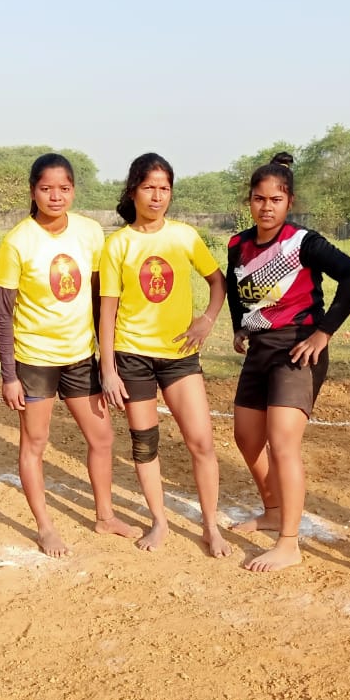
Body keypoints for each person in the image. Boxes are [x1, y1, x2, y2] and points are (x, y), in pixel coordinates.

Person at [0, 152, 141, 557]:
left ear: (74, 190)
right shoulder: (17, 242)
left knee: (102, 436)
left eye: (63, 188)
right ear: (33, 192)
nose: (55, 196)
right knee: (35, 443)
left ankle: (105, 515)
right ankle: (44, 527)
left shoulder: (91, 233)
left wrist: (105, 357)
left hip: (80, 357)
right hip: (35, 360)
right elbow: (3, 316)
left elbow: (100, 297)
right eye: (46, 189)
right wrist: (9, 375)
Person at [227, 152, 350, 571]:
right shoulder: (238, 244)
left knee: (282, 443)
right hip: (259, 349)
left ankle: (290, 542)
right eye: (258, 198)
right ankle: (272, 510)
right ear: (249, 201)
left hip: (298, 348)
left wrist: (323, 333)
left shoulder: (303, 242)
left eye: (275, 199)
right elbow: (237, 289)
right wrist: (240, 326)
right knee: (247, 438)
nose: (266, 206)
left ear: (289, 202)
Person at [98, 153, 231, 556]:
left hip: (179, 356)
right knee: (144, 445)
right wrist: (109, 370)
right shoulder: (117, 244)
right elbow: (107, 311)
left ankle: (211, 526)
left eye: (164, 188)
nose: (157, 196)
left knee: (201, 442)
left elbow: (217, 283)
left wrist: (207, 320)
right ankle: (160, 521)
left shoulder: (185, 236)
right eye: (149, 187)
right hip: (132, 356)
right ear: (133, 191)